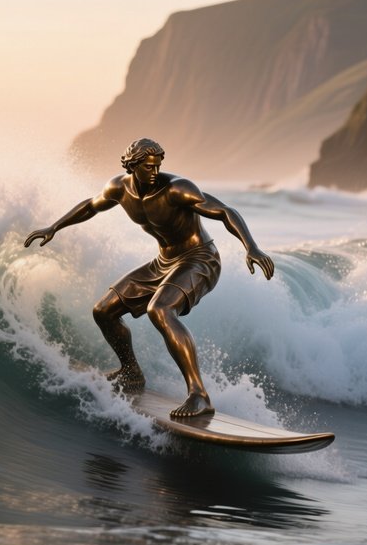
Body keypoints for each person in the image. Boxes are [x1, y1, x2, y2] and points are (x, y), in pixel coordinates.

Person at [24, 138, 274, 417]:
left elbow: (226, 211)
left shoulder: (178, 189)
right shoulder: (119, 188)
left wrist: (251, 246)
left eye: (157, 166)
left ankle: (199, 395)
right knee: (103, 311)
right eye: (148, 167)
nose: (154, 172)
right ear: (132, 167)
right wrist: (54, 227)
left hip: (200, 259)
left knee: (160, 309)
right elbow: (92, 206)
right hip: (163, 263)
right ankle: (131, 372)